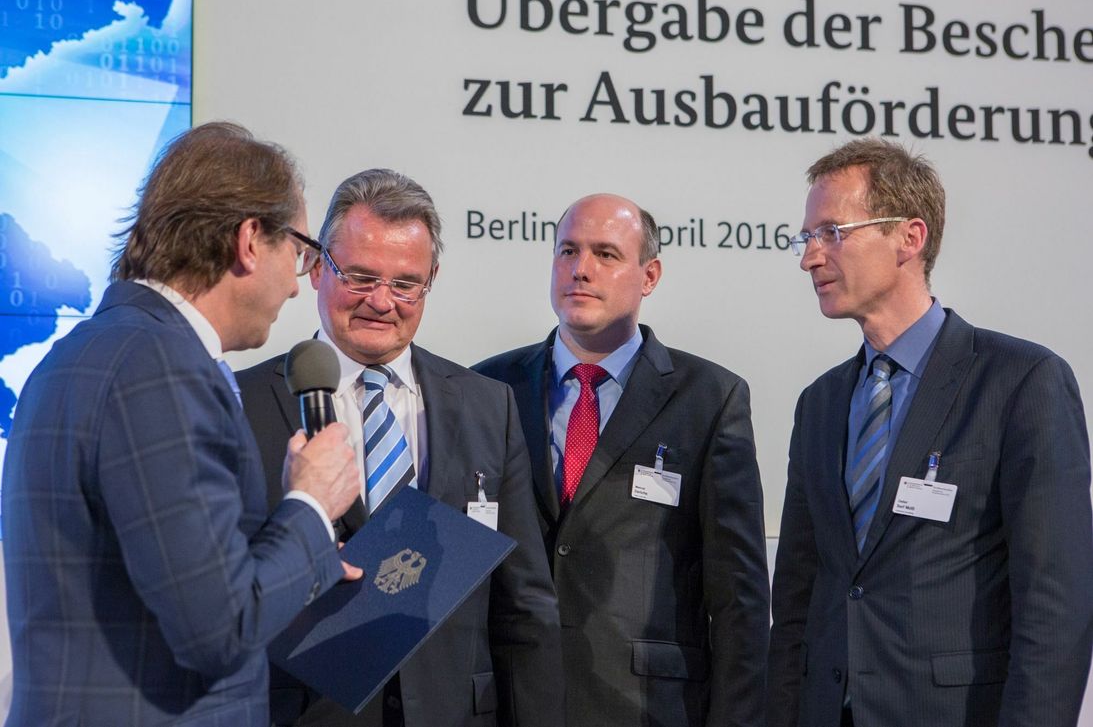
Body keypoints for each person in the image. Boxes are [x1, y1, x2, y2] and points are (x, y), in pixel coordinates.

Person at [1, 122, 362, 726]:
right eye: (300, 253)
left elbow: (162, 579)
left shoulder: (90, 350)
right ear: (250, 241)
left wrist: (306, 551)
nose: (297, 288)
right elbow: (219, 628)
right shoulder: (158, 368)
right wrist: (310, 505)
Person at [767, 137, 1093, 727]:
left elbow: (1057, 606)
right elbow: (796, 598)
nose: (810, 258)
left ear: (908, 238)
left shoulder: (1022, 383)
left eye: (832, 233)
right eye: (807, 238)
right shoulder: (819, 404)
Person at [237, 168, 564, 727]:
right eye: (361, 277)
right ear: (317, 267)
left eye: (405, 284)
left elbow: (524, 605)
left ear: (431, 280)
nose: (382, 302)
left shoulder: (489, 406)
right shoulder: (240, 403)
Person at [473, 193, 769, 727]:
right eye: (568, 251)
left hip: (648, 706)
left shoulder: (709, 397)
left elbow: (738, 596)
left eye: (606, 254)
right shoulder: (487, 388)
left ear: (649, 275)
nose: (580, 270)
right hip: (509, 697)